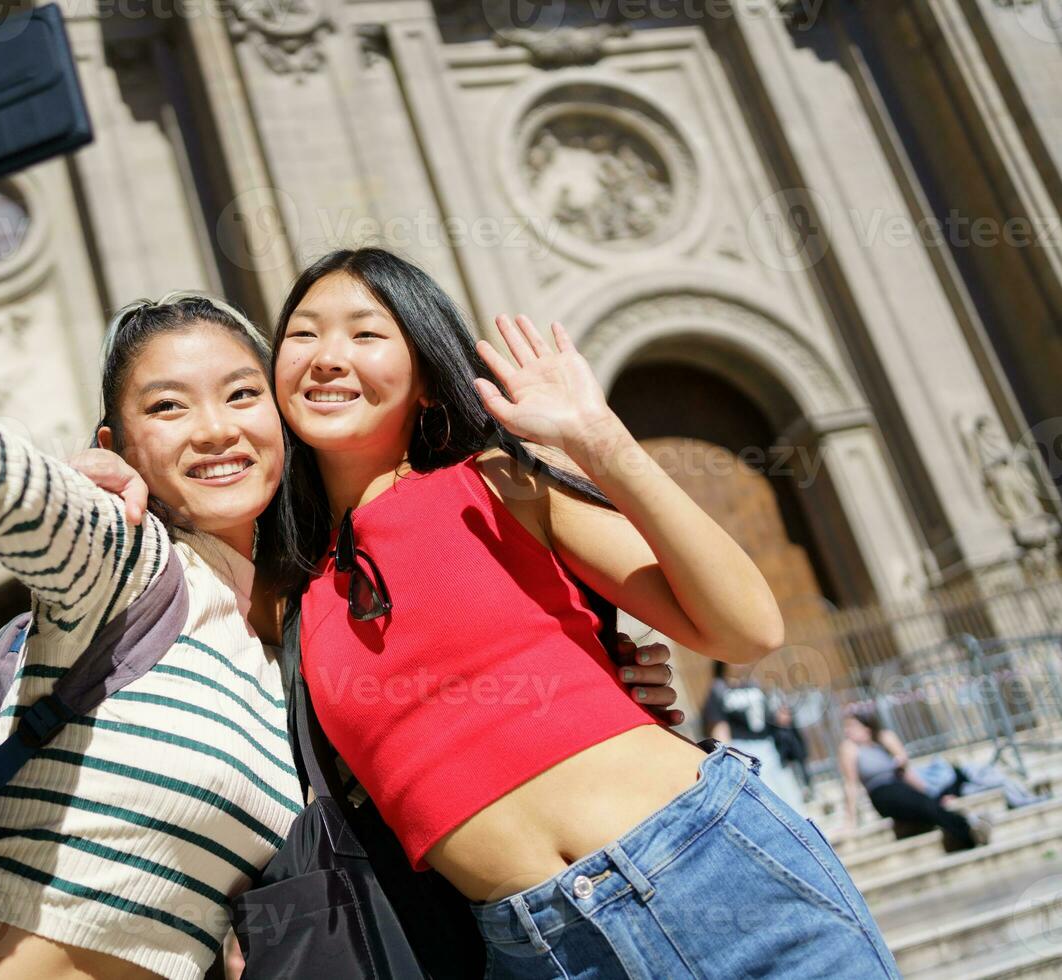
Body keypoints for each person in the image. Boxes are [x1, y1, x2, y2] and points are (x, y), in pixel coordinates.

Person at [0, 71, 682, 980]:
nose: (216, 429)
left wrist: (597, 677)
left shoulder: (326, 647)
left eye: (243, 394)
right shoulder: (127, 573)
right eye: (168, 407)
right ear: (117, 442)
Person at [264, 248, 902, 978]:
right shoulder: (287, 590)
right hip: (535, 948)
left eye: (365, 334)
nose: (327, 357)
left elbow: (746, 627)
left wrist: (598, 441)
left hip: (707, 866)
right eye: (303, 334)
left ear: (428, 383)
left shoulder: (501, 484)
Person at [838, 713, 991, 851]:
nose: (847, 731)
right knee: (925, 807)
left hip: (901, 787)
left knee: (928, 805)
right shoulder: (850, 748)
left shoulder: (883, 740)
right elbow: (850, 784)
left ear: (866, 728)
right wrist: (850, 821)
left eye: (851, 726)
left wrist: (928, 793)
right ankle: (969, 827)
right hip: (881, 793)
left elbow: (906, 773)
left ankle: (966, 830)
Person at [701, 661, 807, 812]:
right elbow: (719, 727)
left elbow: (768, 716)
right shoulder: (719, 690)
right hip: (743, 749)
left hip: (768, 745)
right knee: (767, 796)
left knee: (788, 792)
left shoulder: (753, 684)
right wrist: (729, 755)